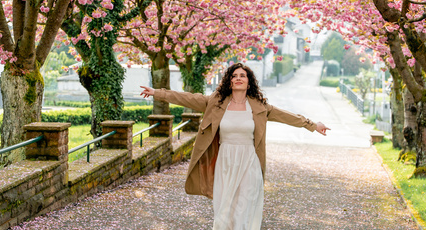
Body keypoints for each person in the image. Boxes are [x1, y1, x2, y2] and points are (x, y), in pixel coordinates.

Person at [140, 62, 330, 229]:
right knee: (223, 211)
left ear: (249, 82)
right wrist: (157, 93)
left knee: (244, 209)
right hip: (225, 162)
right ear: (229, 81)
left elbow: (287, 116)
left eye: (242, 76)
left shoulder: (259, 106)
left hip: (249, 162)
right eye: (234, 76)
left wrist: (313, 125)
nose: (238, 78)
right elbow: (186, 98)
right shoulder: (215, 103)